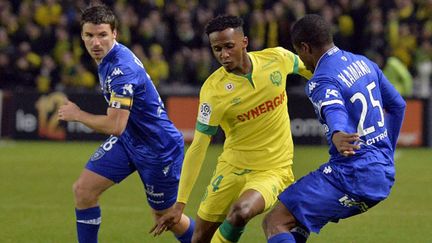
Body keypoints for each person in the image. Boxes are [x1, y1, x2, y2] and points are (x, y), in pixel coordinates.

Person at [151, 15, 312, 242]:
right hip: (230, 169)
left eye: (229, 46)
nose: (223, 55)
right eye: (217, 49)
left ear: (244, 41)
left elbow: (315, 71)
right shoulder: (212, 91)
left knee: (241, 212)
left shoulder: (276, 59)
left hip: (272, 169)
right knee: (199, 238)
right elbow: (198, 146)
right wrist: (180, 203)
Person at [262, 14, 406, 243]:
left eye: (299, 52)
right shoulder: (364, 63)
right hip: (382, 172)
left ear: (305, 47)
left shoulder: (321, 79)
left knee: (275, 221)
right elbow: (398, 105)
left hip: (352, 173)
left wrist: (338, 131)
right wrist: (386, 151)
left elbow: (333, 107)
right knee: (295, 220)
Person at [57, 4, 194, 243]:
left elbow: (115, 126)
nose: (95, 43)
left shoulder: (122, 70)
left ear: (114, 34)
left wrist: (78, 114)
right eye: (89, 35)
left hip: (158, 148)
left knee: (166, 217)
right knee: (84, 191)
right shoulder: (107, 58)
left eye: (102, 35)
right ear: (82, 35)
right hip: (130, 139)